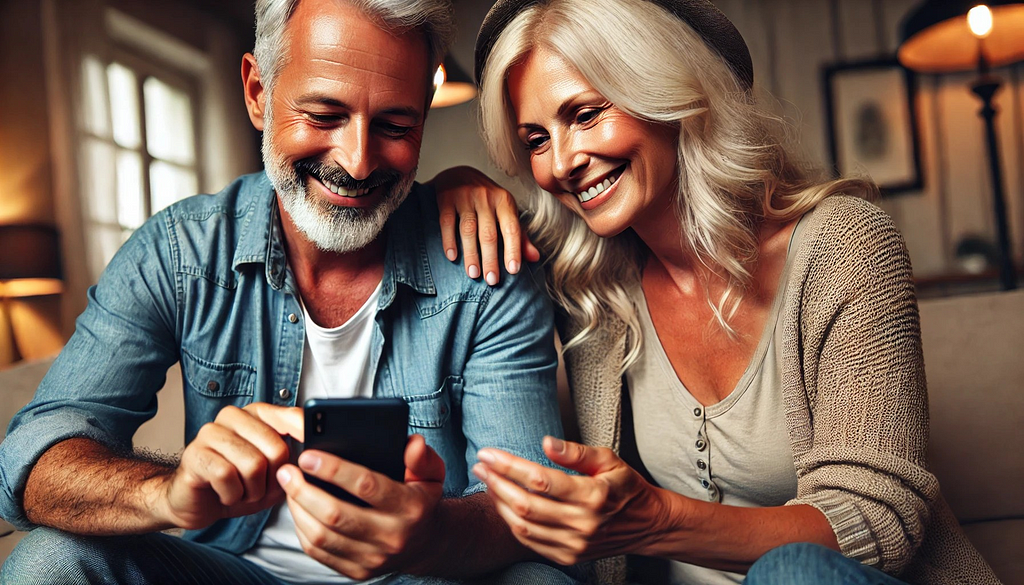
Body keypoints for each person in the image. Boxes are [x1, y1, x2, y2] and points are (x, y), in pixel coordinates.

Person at [0, 0, 578, 583]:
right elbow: (32, 462)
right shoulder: (180, 252)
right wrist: (169, 493)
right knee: (51, 560)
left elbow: (533, 504)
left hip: (423, 574)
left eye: (395, 125)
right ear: (257, 92)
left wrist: (428, 537)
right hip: (227, 570)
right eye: (324, 115)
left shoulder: (487, 258)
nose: (357, 162)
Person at [456, 0, 1002, 583]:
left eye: (586, 115)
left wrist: (656, 520)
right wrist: (456, 185)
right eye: (536, 139)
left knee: (792, 572)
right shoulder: (583, 279)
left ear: (666, 93)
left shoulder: (845, 245)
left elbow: (878, 518)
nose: (562, 162)